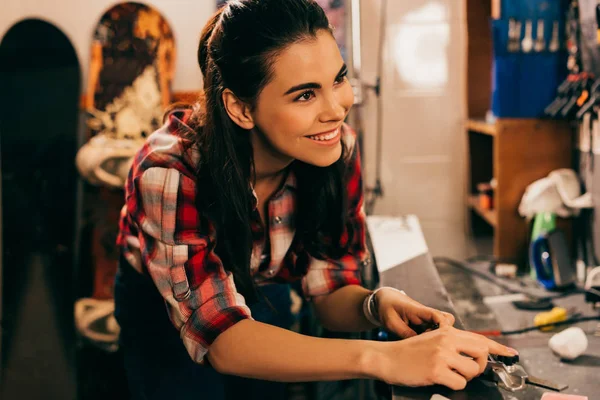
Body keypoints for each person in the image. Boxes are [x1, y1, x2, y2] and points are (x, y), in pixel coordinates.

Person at [113, 0, 518, 399]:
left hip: (261, 286)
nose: (336, 110)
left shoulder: (336, 150)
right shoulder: (168, 172)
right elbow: (222, 339)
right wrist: (387, 359)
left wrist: (375, 304)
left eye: (338, 80)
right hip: (166, 311)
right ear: (239, 107)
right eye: (305, 95)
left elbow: (329, 291)